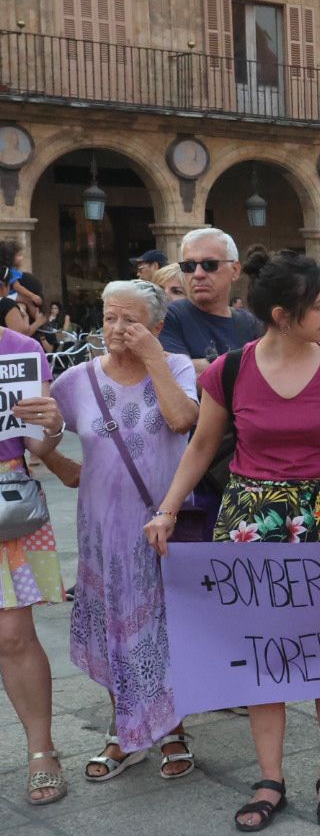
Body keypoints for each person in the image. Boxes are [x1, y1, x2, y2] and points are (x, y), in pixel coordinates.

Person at [144, 251, 320, 831]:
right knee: (260, 650)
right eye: (319, 305)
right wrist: (167, 509)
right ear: (282, 314)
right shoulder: (229, 370)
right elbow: (200, 445)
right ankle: (269, 776)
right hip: (251, 517)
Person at [54, 281, 199, 781]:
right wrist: (44, 450)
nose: (117, 329)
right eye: (110, 317)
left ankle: (173, 729)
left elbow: (184, 421)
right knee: (112, 626)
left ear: (157, 327)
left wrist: (156, 359)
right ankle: (124, 729)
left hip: (160, 525)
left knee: (161, 628)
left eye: (131, 320)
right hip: (101, 531)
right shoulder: (75, 380)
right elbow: (62, 459)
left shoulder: (175, 367)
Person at [0, 324, 71, 805]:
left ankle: (40, 749)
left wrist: (52, 426)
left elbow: (38, 448)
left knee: (13, 635)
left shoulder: (19, 349)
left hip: (5, 501)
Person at [159, 227, 261, 372]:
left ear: (235, 270)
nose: (198, 274)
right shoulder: (168, 317)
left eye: (210, 265)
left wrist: (200, 365)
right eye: (189, 266)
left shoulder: (248, 323)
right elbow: (177, 377)